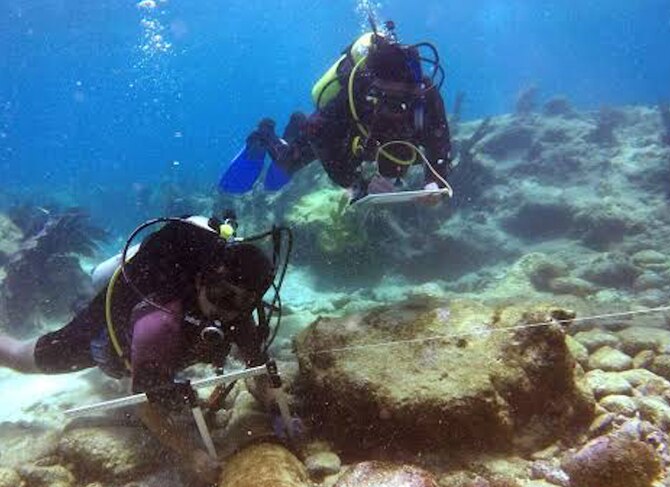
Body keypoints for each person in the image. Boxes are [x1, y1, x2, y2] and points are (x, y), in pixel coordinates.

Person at [0, 215, 277, 481]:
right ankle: (98, 283)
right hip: (108, 331)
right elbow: (145, 406)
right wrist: (191, 454)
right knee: (24, 358)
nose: (224, 309)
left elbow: (258, 367)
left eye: (240, 303)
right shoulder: (160, 322)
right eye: (220, 295)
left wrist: (274, 402)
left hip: (154, 341)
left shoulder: (238, 314)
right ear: (201, 280)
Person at [219, 20, 452, 203]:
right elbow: (318, 134)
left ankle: (295, 125)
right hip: (344, 136)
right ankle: (265, 134)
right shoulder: (355, 93)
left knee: (397, 165)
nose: (399, 107)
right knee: (286, 164)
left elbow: (441, 144)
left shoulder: (427, 94)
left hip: (378, 146)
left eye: (405, 97)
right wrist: (357, 183)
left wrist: (434, 182)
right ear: (373, 87)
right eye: (388, 98)